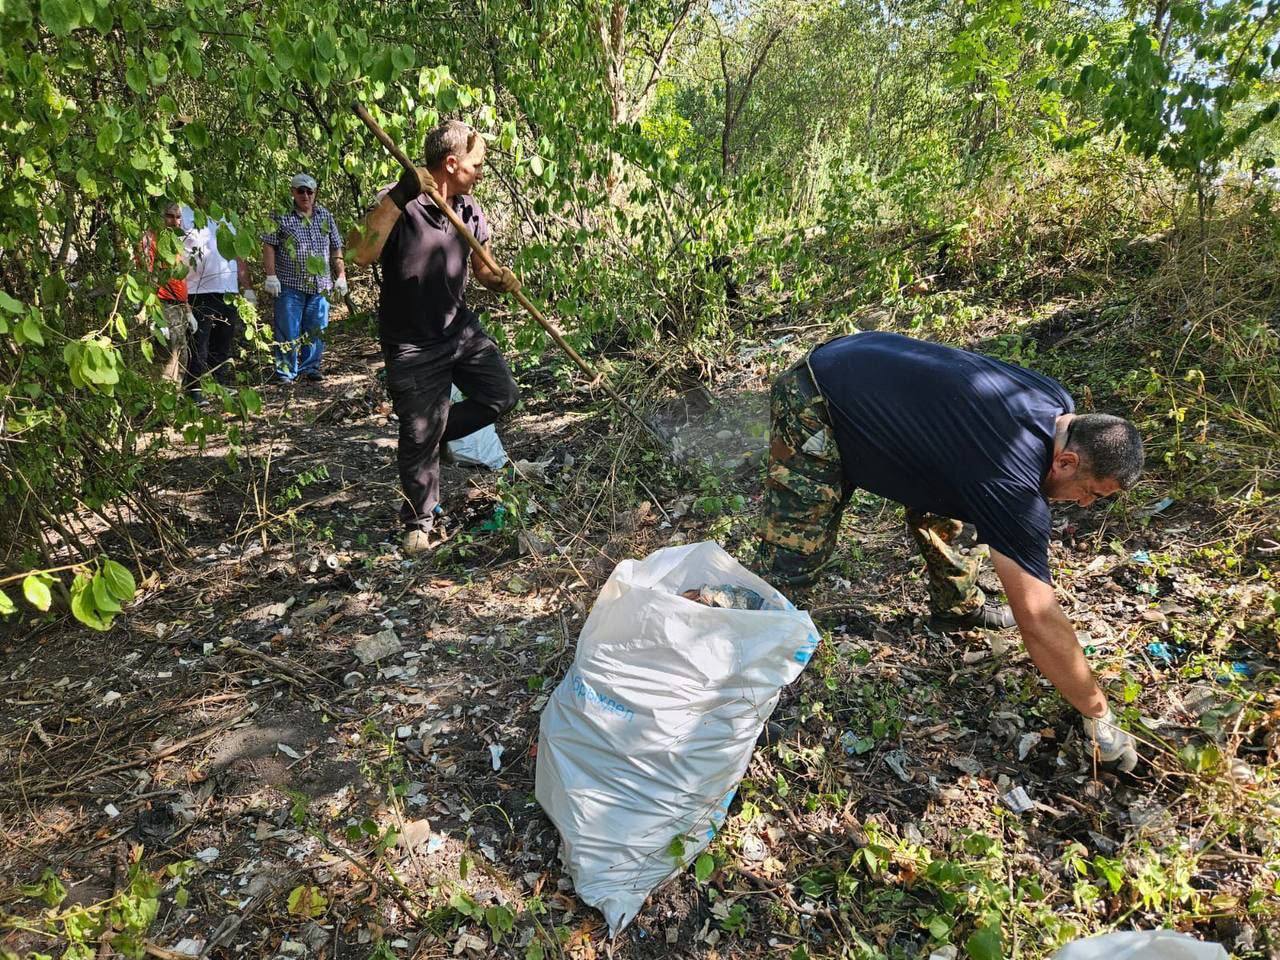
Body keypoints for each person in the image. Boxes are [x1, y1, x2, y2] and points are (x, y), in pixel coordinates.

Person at [757, 331, 1145, 770]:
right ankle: (750, 671)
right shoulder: (1011, 481)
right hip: (818, 394)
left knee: (954, 507)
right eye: (1090, 492)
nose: (1086, 503)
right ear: (1067, 462)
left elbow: (961, 431)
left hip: (868, 363)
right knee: (796, 546)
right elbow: (1036, 615)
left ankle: (956, 608)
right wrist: (1099, 713)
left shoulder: (1059, 406)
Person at [350, 120, 521, 555]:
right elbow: (358, 253)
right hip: (411, 344)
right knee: (416, 434)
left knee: (500, 394)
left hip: (458, 330)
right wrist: (399, 195)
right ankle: (418, 523)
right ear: (452, 163)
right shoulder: (400, 202)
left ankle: (433, 432)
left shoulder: (468, 209)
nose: (481, 171)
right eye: (477, 164)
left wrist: (500, 279)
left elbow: (482, 268)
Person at [259, 173, 347, 385]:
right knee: (287, 329)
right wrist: (270, 275)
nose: (305, 195)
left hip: (321, 285)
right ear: (293, 192)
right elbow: (269, 245)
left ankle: (311, 368)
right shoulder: (280, 215)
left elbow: (336, 246)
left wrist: (341, 275)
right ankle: (286, 372)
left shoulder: (325, 216)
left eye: (309, 191)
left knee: (316, 329)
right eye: (301, 191)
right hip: (290, 284)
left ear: (315, 192)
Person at [181, 204, 255, 399]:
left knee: (223, 339)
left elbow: (238, 254)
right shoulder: (184, 215)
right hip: (198, 290)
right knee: (199, 342)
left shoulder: (227, 217)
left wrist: (247, 288)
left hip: (228, 290)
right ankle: (194, 388)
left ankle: (219, 383)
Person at [139, 202, 193, 384]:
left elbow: (180, 280)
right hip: (162, 304)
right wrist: (154, 314)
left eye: (178, 217)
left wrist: (188, 310)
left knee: (182, 356)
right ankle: (163, 406)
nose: (175, 222)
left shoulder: (174, 242)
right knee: (166, 358)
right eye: (170, 216)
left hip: (178, 306)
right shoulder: (150, 240)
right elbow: (146, 278)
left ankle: (175, 402)